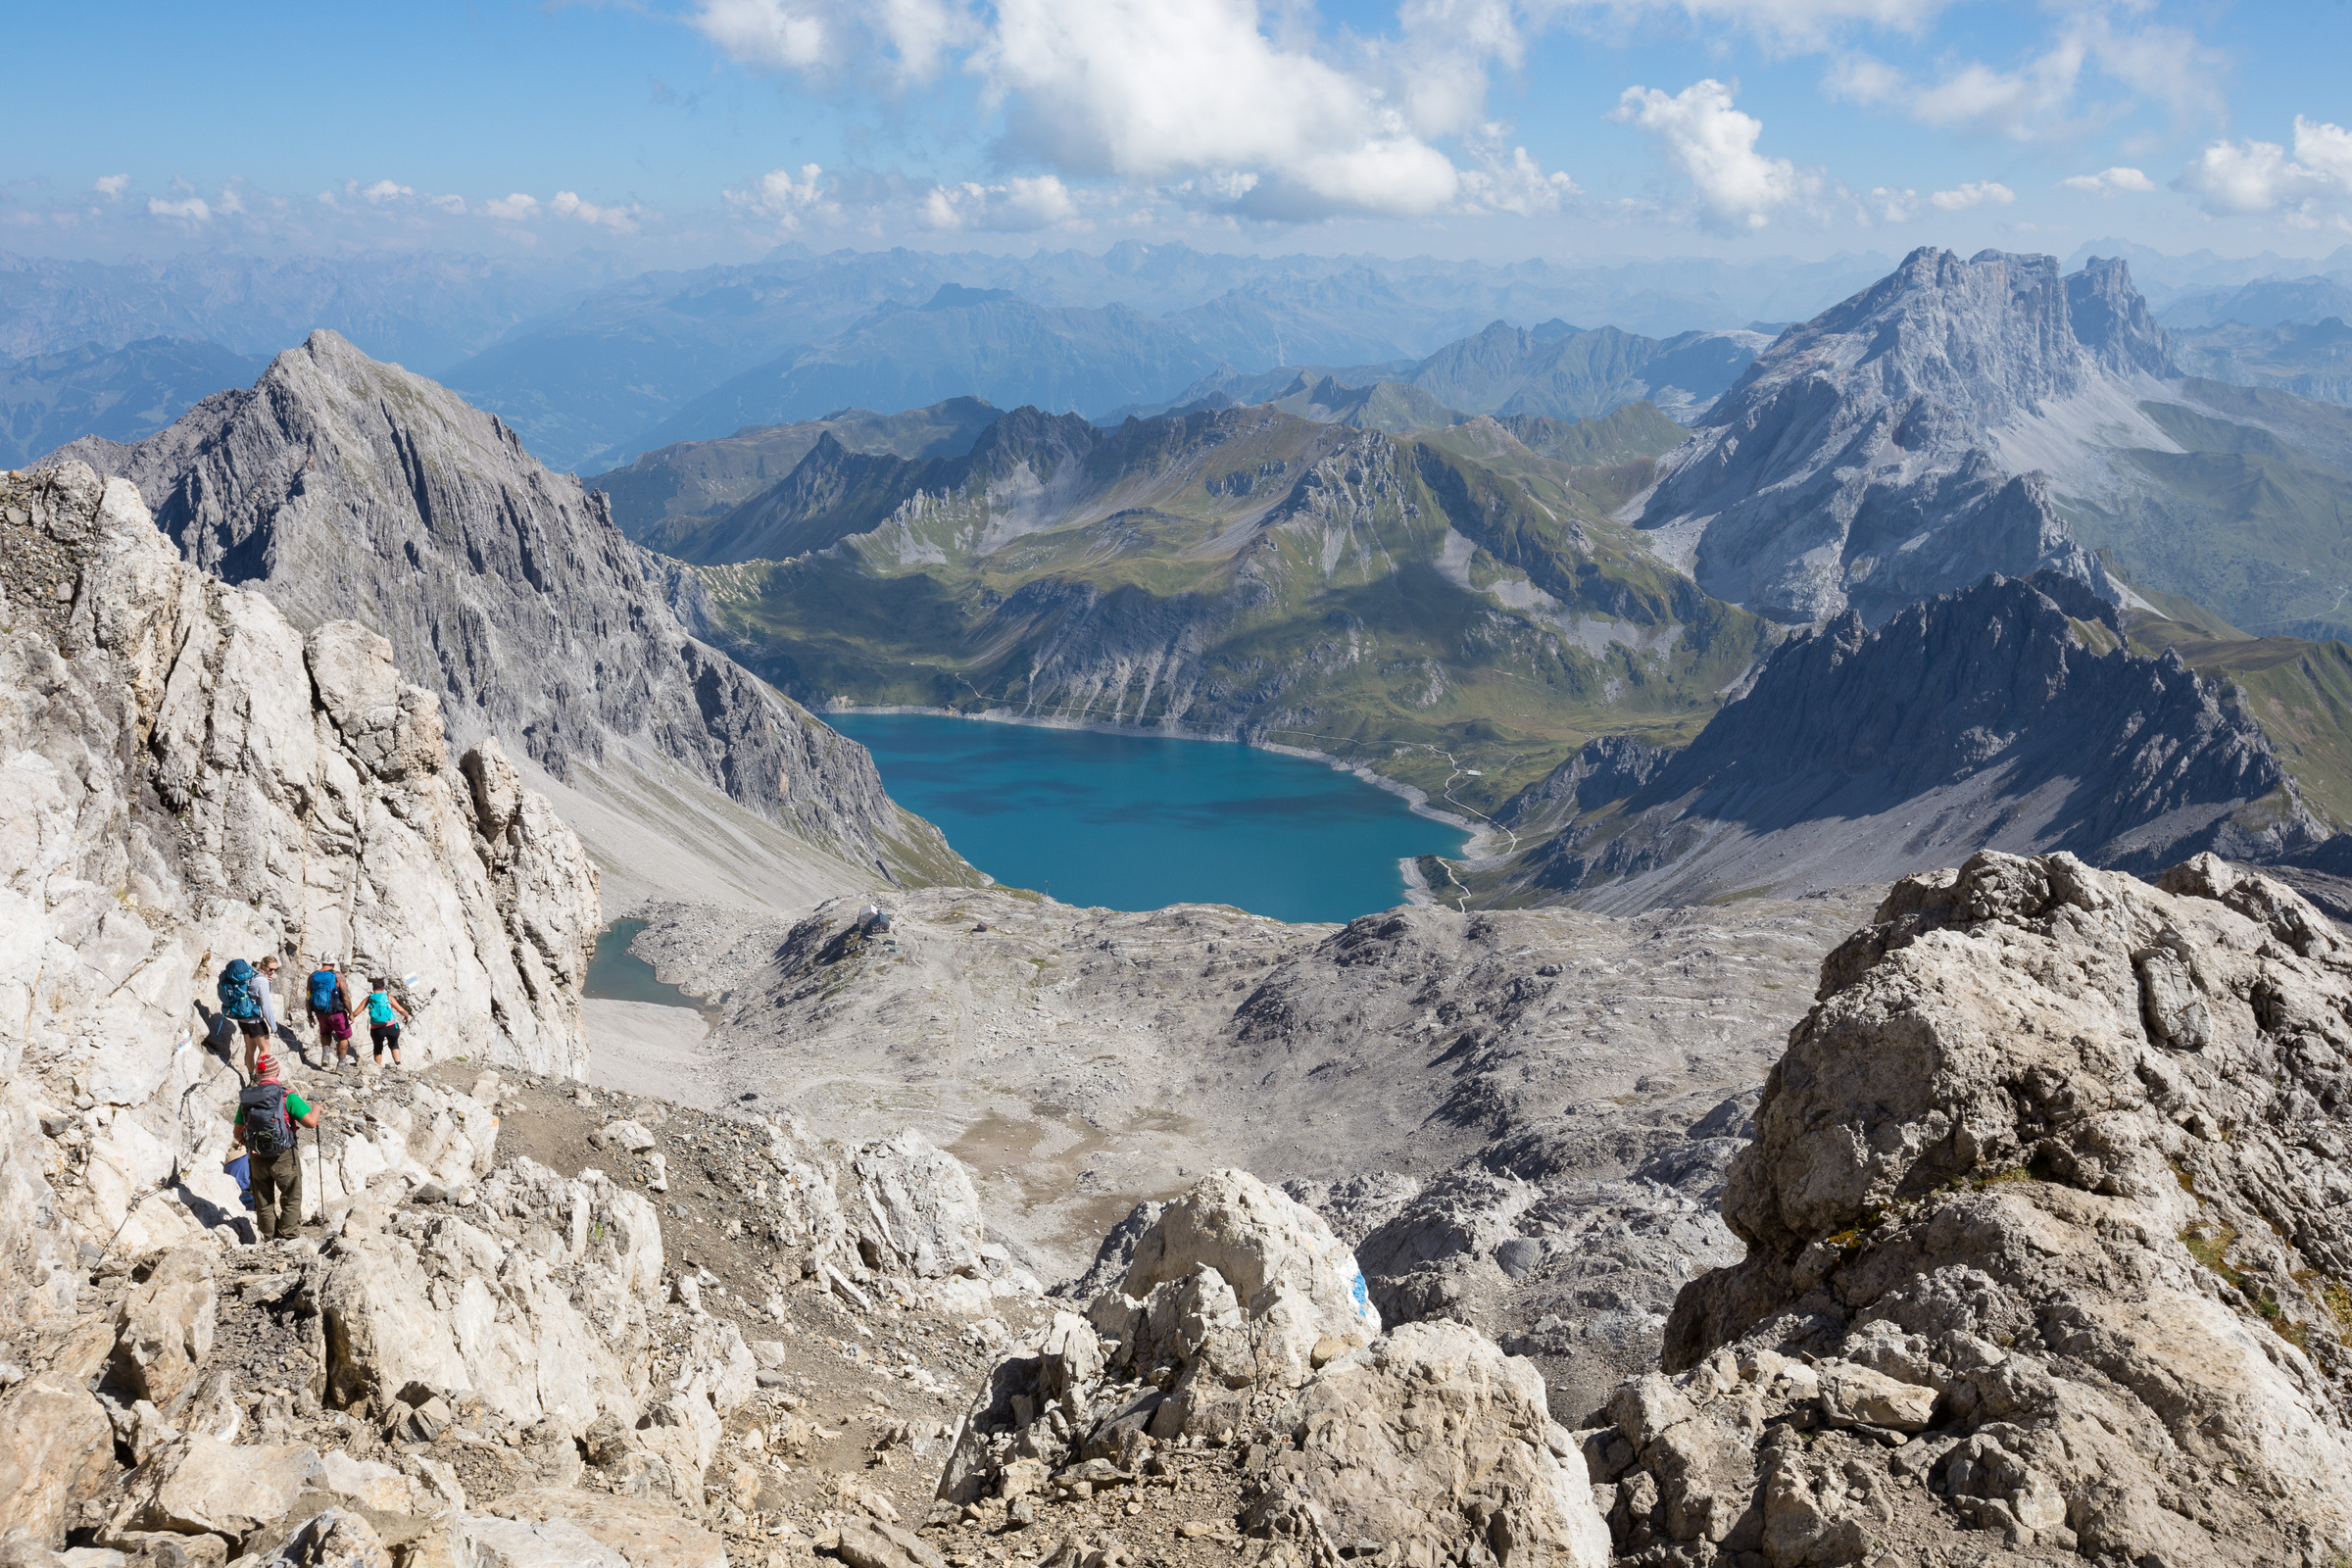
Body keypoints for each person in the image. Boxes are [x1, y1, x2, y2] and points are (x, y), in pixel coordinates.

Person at [230, 1053, 319, 1241]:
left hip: (257, 1156)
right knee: (291, 1196)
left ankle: (269, 1238)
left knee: (263, 1199)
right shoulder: (288, 1097)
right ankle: (287, 1237)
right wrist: (317, 1108)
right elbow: (311, 1123)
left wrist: (252, 1144)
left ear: (258, 1074)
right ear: (277, 1072)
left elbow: (237, 1134)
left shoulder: (247, 1100)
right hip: (284, 1154)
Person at [308, 958, 358, 1068]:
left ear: (322, 962)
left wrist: (310, 1015)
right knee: (343, 1037)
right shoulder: (337, 976)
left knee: (325, 1033)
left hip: (320, 1012)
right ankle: (341, 1064)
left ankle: (326, 1055)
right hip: (337, 1013)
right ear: (333, 962)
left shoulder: (312, 976)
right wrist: (351, 1013)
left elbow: (308, 996)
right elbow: (345, 997)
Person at [243, 956, 286, 1076]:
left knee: (250, 1050)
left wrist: (269, 982)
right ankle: (259, 1078)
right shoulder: (262, 980)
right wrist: (273, 1025)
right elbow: (265, 1005)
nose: (272, 972)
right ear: (263, 966)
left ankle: (251, 1076)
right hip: (255, 1020)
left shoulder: (252, 975)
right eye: (271, 969)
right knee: (265, 1050)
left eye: (275, 970)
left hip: (244, 1019)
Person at [365, 977, 411, 1069]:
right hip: (391, 1027)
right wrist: (406, 1016)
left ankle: (378, 1068)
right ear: (383, 987)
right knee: (394, 1044)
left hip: (376, 1029)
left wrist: (351, 1016)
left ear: (373, 987)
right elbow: (400, 1009)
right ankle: (398, 1065)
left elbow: (357, 1012)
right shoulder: (388, 996)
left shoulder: (369, 998)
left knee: (377, 1047)